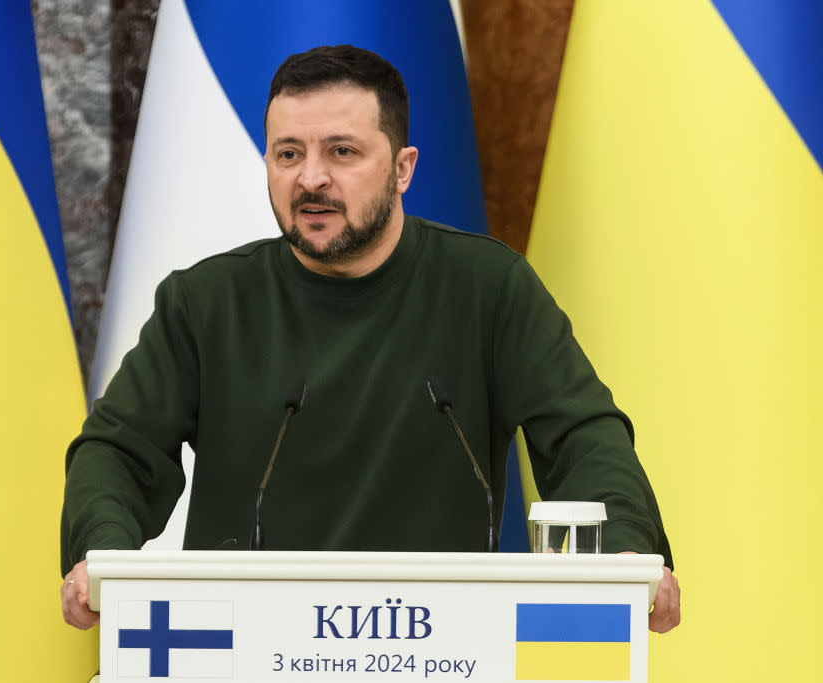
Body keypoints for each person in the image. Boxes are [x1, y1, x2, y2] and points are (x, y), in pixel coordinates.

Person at [59, 45, 680, 633]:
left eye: (342, 152)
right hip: (247, 647)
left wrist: (628, 549)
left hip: (443, 647)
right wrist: (103, 552)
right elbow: (118, 450)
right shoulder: (205, 302)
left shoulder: (488, 289)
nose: (312, 179)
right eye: (288, 154)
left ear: (403, 169)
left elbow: (583, 436)